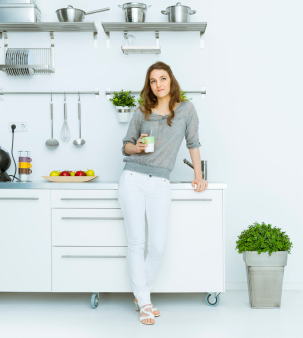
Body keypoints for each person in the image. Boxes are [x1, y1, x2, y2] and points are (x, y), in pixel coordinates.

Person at [117, 61, 208, 325]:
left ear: (171, 81)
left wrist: (198, 176)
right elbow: (125, 146)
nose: (159, 84)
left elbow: (193, 143)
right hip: (132, 178)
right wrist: (137, 148)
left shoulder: (186, 110)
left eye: (163, 79)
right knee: (136, 242)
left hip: (160, 182)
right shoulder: (140, 113)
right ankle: (145, 303)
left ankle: (139, 294)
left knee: (157, 245)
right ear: (150, 85)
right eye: (153, 80)